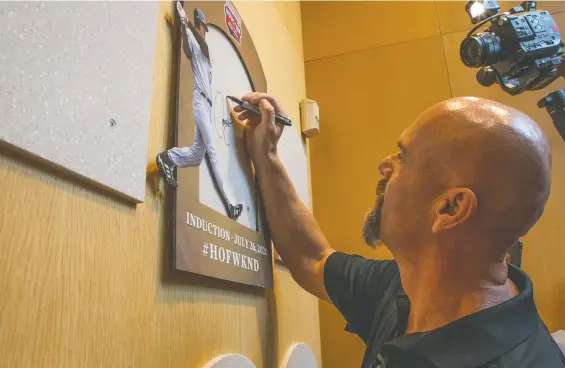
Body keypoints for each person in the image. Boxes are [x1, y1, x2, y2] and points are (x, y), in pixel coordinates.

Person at [232, 93, 565, 367]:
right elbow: (313, 259)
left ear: (450, 208)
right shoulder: (407, 287)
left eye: (403, 157)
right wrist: (266, 154)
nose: (384, 164)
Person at [157, 2, 243, 220]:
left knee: (197, 156)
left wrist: (187, 23)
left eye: (202, 26)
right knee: (212, 152)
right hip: (200, 103)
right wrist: (184, 24)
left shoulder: (205, 48)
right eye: (200, 26)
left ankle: (168, 158)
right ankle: (231, 205)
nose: (202, 29)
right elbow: (187, 49)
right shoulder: (194, 42)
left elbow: (200, 47)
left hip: (206, 105)